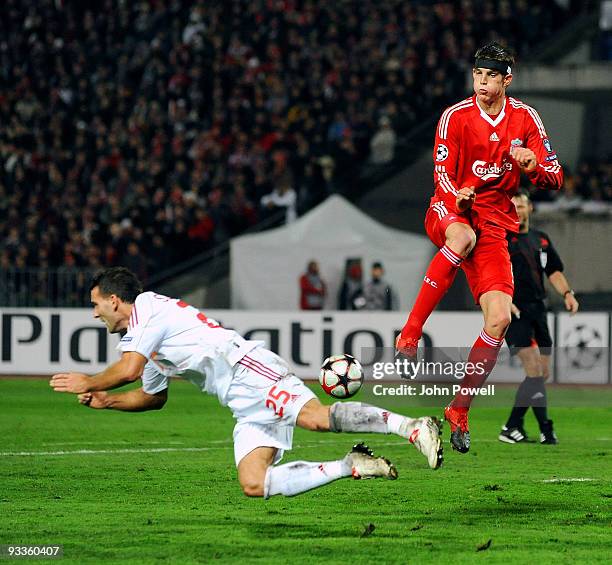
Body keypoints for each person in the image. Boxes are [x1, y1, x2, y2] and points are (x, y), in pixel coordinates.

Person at [50, 267, 443, 499]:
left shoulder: (149, 309)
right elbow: (152, 395)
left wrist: (89, 379)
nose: (94, 313)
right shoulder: (139, 338)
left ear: (115, 301)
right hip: (239, 401)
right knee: (254, 483)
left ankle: (412, 427)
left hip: (246, 367)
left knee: (316, 418)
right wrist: (108, 402)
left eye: (95, 304)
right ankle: (350, 465)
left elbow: (128, 370)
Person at [395, 41, 563, 453]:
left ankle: (459, 409)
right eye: (477, 75)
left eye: (490, 76)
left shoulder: (525, 119)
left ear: (507, 79)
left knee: (500, 318)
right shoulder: (455, 117)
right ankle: (409, 337)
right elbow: (441, 175)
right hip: (450, 208)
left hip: (494, 224)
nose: (482, 83)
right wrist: (460, 198)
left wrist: (532, 167)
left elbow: (555, 177)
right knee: (462, 236)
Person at [499, 192, 578, 445]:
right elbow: (489, 272)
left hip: (538, 310)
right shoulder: (501, 239)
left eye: (521, 205)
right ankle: (545, 428)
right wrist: (503, 300)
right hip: (515, 312)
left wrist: (567, 293)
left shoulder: (540, 239)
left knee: (541, 374)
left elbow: (553, 270)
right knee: (533, 371)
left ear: (530, 208)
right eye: (513, 206)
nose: (518, 210)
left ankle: (513, 426)